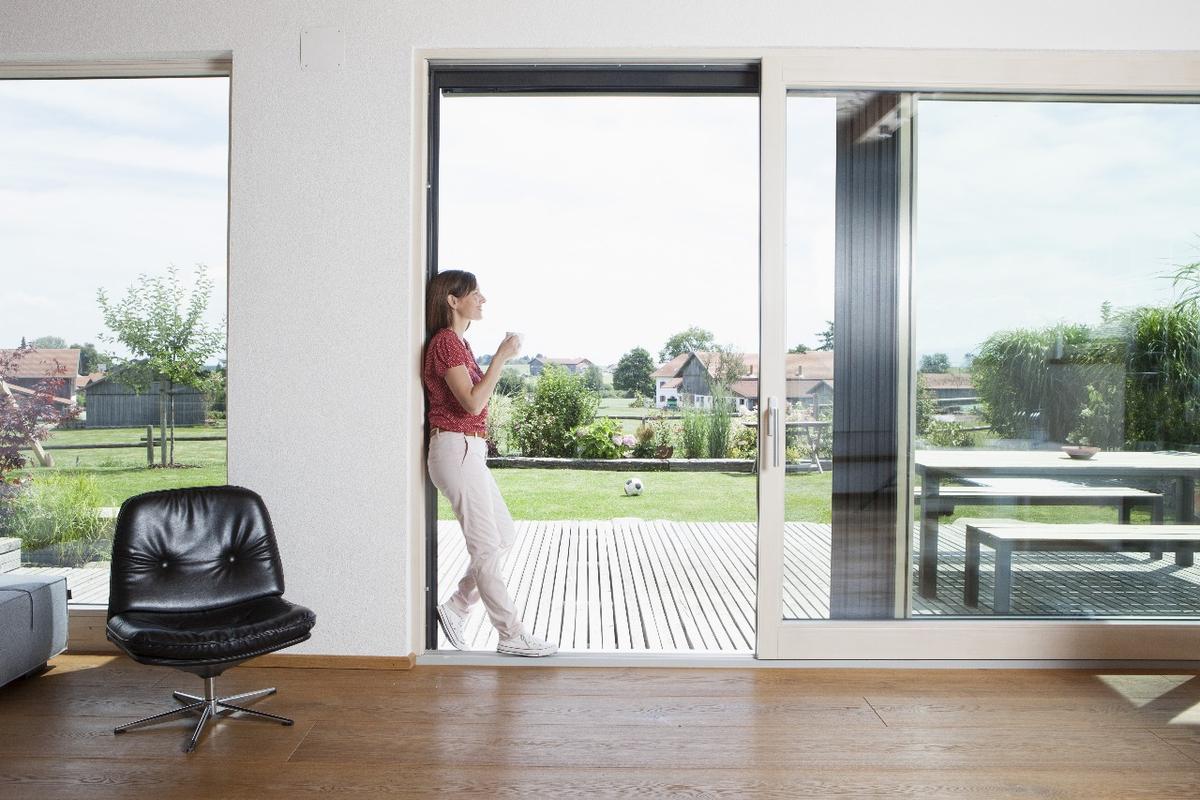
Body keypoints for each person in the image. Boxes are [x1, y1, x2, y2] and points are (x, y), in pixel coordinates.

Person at [422, 269, 558, 657]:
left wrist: (499, 358)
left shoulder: (460, 344)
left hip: (469, 451)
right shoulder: (446, 342)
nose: (483, 299)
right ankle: (510, 634)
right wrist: (501, 357)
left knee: (502, 536)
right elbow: (472, 402)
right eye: (475, 293)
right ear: (453, 300)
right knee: (486, 547)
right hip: (456, 450)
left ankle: (456, 607)